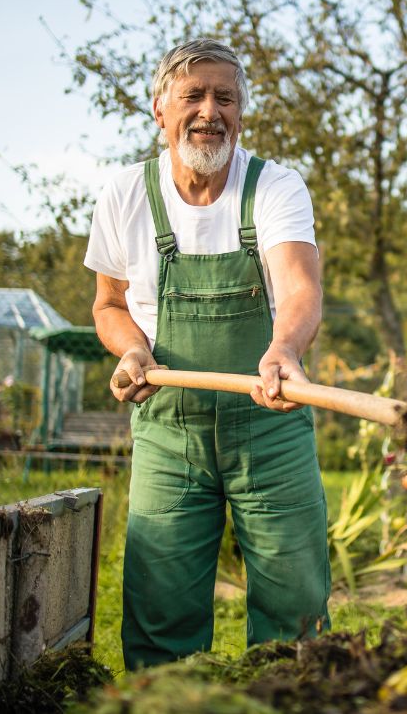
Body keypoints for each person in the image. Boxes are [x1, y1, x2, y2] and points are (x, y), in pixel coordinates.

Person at [84, 38, 330, 669]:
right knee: (160, 613)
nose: (209, 110)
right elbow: (108, 305)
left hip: (270, 425)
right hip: (170, 431)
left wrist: (284, 348)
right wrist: (133, 349)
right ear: (160, 109)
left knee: (294, 615)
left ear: (241, 114)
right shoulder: (124, 194)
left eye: (225, 96)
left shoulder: (274, 187)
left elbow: (300, 287)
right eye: (193, 95)